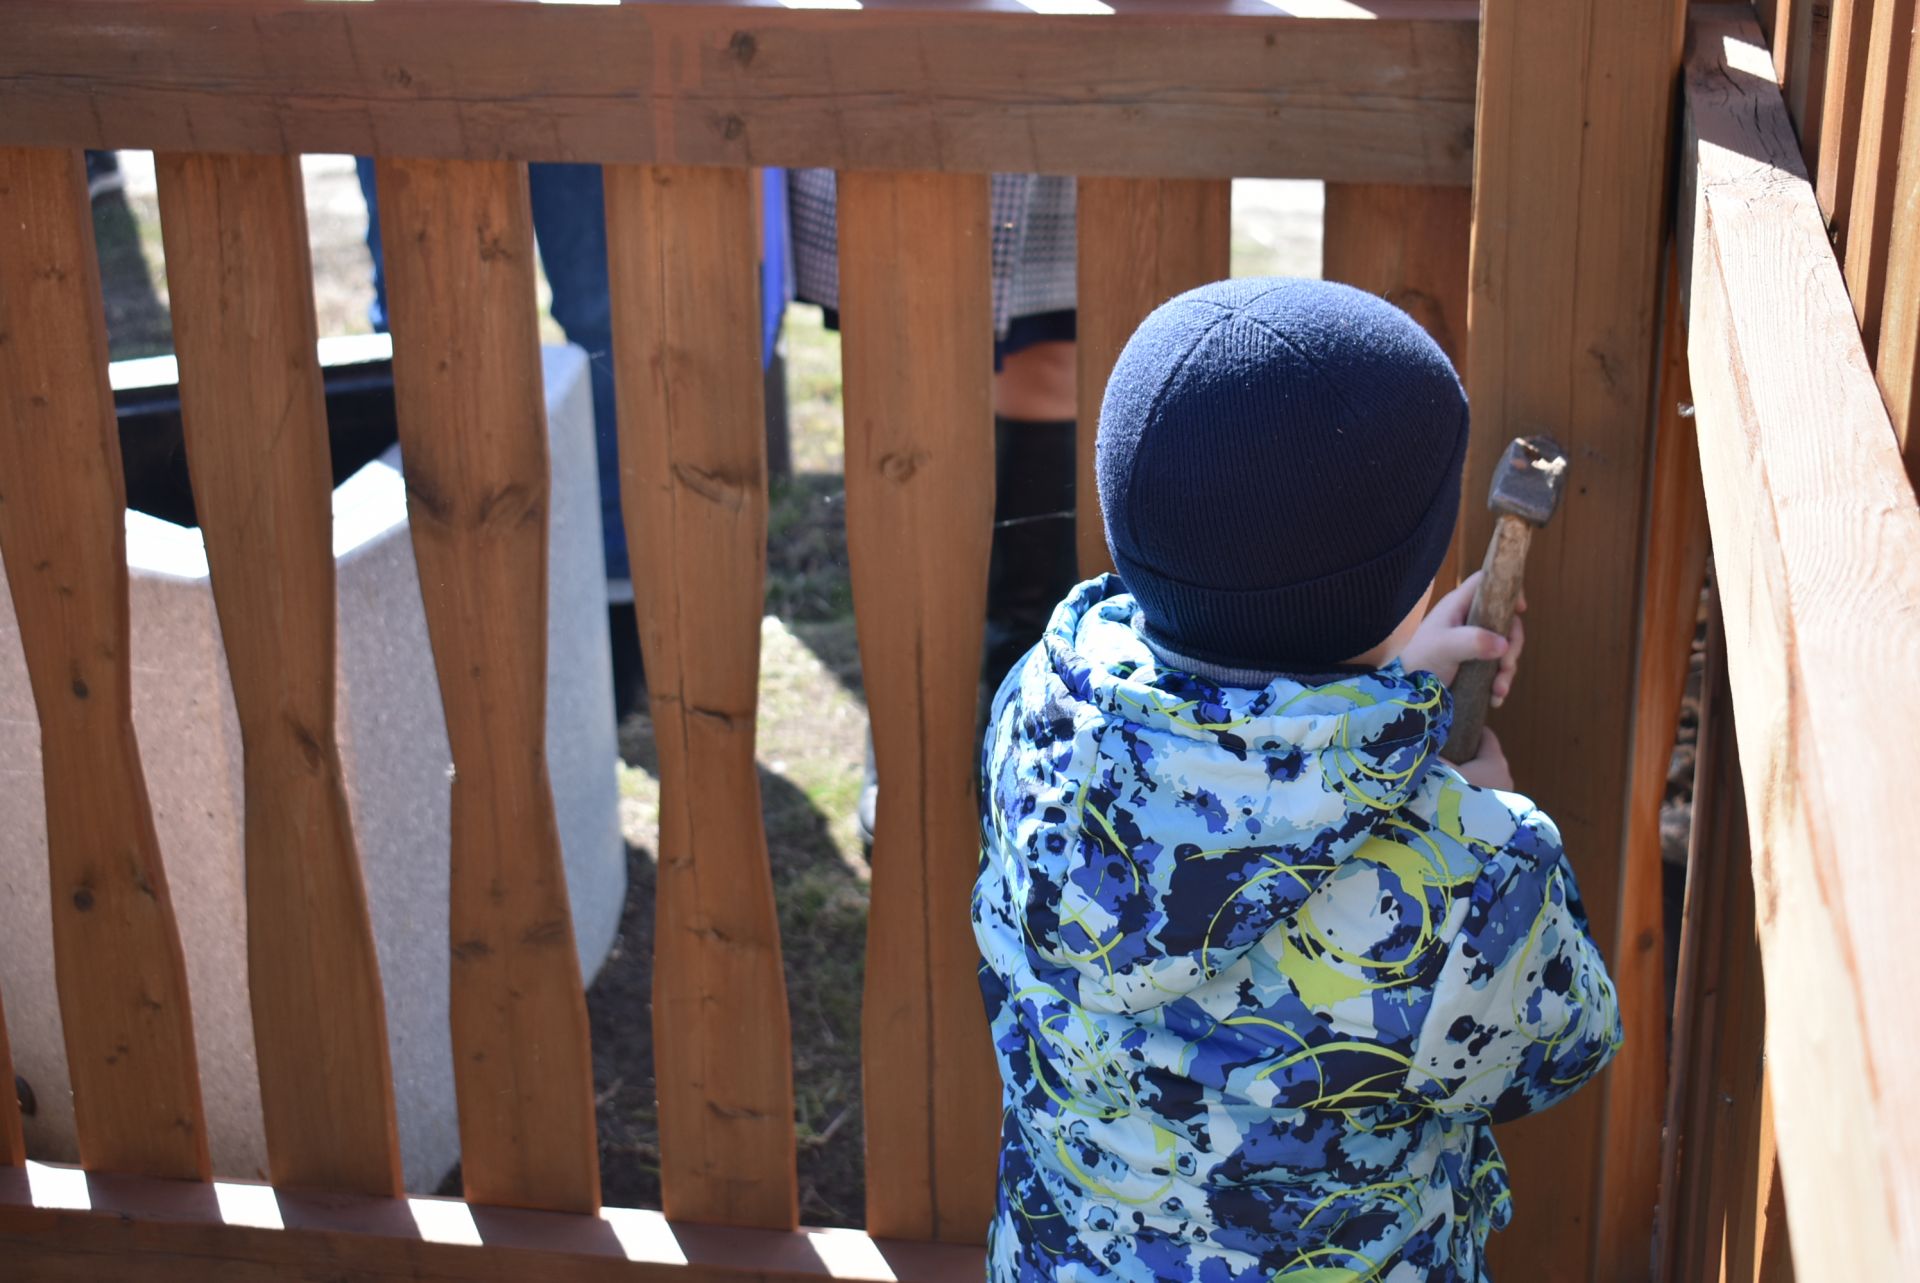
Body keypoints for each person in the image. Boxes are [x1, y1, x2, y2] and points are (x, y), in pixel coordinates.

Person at [972, 278, 1622, 1282]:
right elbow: (1560, 1045)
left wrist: (1386, 712)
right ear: (1408, 568)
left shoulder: (1040, 711)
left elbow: (1218, 796)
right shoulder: (1471, 868)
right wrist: (1483, 809)